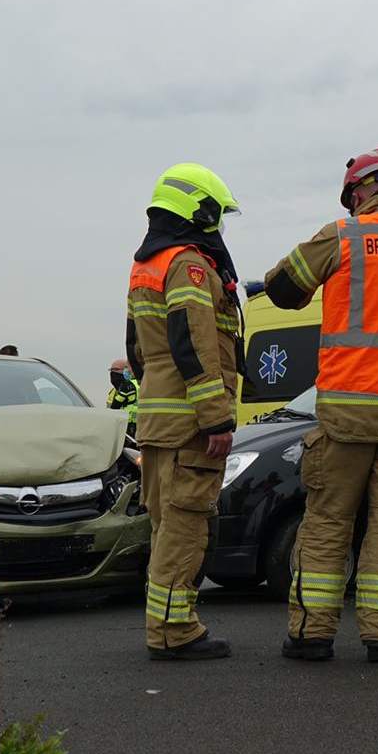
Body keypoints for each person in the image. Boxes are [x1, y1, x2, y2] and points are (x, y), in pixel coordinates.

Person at [263, 149, 378, 663]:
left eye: (351, 198)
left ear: (361, 192)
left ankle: (312, 635)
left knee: (327, 519)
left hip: (350, 412)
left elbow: (281, 288)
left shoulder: (342, 236)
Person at [126, 163, 243, 660]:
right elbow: (193, 343)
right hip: (188, 424)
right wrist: (215, 416)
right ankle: (174, 631)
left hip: (157, 422)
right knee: (185, 527)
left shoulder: (147, 265)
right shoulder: (189, 264)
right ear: (202, 209)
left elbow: (136, 349)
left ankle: (166, 623)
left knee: (164, 526)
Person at [106, 358, 139, 432]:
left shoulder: (132, 385)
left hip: (133, 426)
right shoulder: (113, 392)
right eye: (111, 370)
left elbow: (115, 407)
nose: (113, 373)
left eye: (116, 370)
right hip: (117, 428)